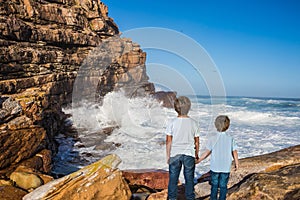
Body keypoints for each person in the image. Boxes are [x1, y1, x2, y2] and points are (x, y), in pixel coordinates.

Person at [196, 115, 239, 200]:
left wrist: (199, 160)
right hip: (225, 167)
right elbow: (234, 152)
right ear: (228, 126)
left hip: (215, 167)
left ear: (216, 125)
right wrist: (237, 163)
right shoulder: (230, 139)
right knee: (223, 186)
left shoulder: (212, 139)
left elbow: (207, 152)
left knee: (214, 186)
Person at [166, 96, 200, 200]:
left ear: (176, 109)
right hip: (189, 154)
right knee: (189, 179)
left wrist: (168, 156)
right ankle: (190, 198)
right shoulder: (194, 123)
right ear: (188, 108)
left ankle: (172, 198)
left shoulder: (172, 123)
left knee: (173, 179)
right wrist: (196, 155)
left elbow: (168, 141)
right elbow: (197, 142)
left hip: (175, 154)